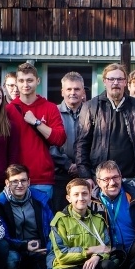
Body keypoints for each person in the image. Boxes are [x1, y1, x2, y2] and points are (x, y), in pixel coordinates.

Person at [76, 63, 135, 191]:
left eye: (119, 79)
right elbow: (82, 143)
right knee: (102, 212)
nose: (115, 82)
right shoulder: (91, 107)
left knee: (133, 211)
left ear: (125, 82)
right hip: (101, 180)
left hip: (133, 178)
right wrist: (85, 176)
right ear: (104, 81)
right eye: (111, 79)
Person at [48, 178, 118, 269]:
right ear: (68, 198)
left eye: (84, 194)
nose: (81, 198)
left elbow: (106, 248)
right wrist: (90, 251)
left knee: (109, 265)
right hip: (65, 268)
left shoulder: (98, 219)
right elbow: (62, 255)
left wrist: (97, 256)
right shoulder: (59, 221)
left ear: (90, 195)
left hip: (88, 266)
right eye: (76, 194)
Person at [5, 62, 66, 199]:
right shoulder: (8, 110)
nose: (25, 84)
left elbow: (60, 138)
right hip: (15, 178)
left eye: (29, 80)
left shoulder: (49, 107)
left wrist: (37, 122)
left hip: (42, 178)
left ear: (38, 81)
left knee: (42, 220)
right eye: (21, 81)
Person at [0, 164, 54, 269]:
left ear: (29, 182)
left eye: (23, 180)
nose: (19, 185)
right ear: (7, 183)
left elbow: (53, 226)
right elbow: (1, 234)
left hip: (40, 248)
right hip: (15, 247)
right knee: (11, 259)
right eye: (15, 181)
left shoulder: (41, 199)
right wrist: (23, 245)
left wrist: (49, 247)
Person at [50, 72, 86, 212]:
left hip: (85, 174)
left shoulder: (92, 112)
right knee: (61, 214)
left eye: (77, 89)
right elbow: (50, 142)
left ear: (83, 91)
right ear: (62, 92)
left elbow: (96, 142)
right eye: (69, 89)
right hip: (59, 174)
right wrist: (67, 164)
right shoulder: (53, 112)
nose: (73, 93)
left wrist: (80, 164)